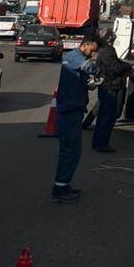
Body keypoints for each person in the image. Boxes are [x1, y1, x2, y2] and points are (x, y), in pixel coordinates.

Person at [52, 36, 99, 203]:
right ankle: (60, 189)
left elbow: (83, 76)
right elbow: (88, 67)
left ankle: (63, 184)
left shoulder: (75, 58)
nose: (92, 53)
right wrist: (97, 65)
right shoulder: (73, 57)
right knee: (70, 151)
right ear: (84, 45)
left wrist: (89, 84)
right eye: (92, 50)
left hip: (72, 109)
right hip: (69, 110)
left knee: (72, 151)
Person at [92, 28, 133, 153]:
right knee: (108, 117)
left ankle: (97, 142)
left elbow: (115, 64)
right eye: (113, 37)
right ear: (110, 38)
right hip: (110, 86)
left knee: (103, 116)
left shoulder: (104, 50)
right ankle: (102, 144)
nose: (115, 39)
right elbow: (115, 67)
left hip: (107, 86)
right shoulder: (108, 50)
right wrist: (128, 66)